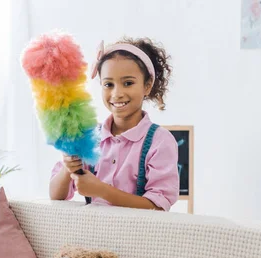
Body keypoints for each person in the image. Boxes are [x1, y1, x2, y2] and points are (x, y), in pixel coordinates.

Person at [49, 37, 179, 211]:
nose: (117, 93)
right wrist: (67, 168)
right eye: (108, 84)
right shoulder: (89, 138)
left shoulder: (160, 141)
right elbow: (56, 195)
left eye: (128, 83)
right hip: (93, 232)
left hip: (137, 235)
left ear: (147, 86)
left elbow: (157, 206)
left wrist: (102, 190)